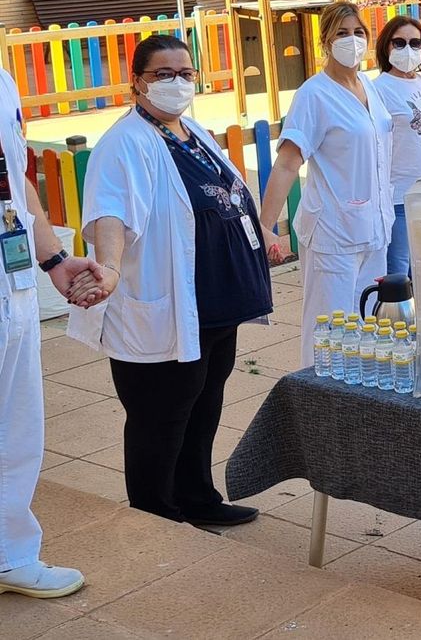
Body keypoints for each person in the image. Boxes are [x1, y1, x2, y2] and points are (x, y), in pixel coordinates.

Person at [71, 34, 273, 529]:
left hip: (215, 305)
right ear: (137, 82)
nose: (176, 83)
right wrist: (109, 267)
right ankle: (156, 516)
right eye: (162, 74)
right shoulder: (124, 143)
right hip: (166, 307)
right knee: (160, 416)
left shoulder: (191, 131)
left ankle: (198, 497)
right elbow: (109, 213)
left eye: (184, 73)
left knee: (204, 405)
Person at [0, 62, 99, 599]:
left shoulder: (2, 78)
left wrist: (54, 259)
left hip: (10, 276)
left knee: (16, 429)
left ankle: (10, 553)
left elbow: (15, 182)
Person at [259, 2, 394, 365]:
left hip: (374, 229)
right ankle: (314, 394)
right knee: (329, 331)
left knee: (367, 324)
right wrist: (266, 226)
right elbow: (287, 162)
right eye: (342, 33)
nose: (353, 40)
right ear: (325, 42)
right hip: (334, 232)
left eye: (358, 32)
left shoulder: (368, 86)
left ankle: (357, 395)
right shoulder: (314, 95)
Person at [371, 15, 421, 276]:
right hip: (399, 193)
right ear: (386, 46)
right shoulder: (379, 88)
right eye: (399, 43)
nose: (407, 49)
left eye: (415, 43)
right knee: (398, 267)